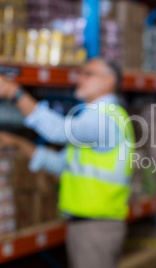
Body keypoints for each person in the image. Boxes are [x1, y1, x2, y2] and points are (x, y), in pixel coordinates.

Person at [0, 58, 135, 268]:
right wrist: (18, 144)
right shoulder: (94, 119)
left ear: (109, 81)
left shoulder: (105, 119)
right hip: (87, 224)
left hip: (96, 226)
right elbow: (60, 165)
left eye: (88, 73)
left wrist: (14, 92)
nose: (79, 78)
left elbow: (58, 131)